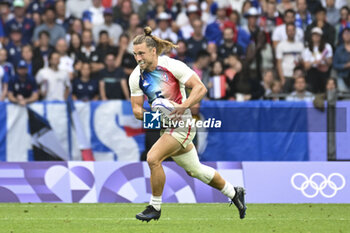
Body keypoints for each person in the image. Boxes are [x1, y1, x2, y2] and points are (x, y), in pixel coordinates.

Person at [129, 27, 246, 222]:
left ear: (153, 51)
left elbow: (200, 88)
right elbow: (137, 111)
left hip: (183, 122)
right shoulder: (135, 77)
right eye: (135, 54)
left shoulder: (173, 66)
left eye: (141, 53)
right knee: (195, 170)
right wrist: (157, 118)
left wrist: (182, 107)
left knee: (153, 158)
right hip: (166, 125)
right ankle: (235, 193)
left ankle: (154, 207)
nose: (138, 58)